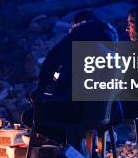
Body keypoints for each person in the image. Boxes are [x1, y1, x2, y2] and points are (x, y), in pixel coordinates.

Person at [22, 11, 119, 146]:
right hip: (112, 114)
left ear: (77, 25)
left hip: (78, 114)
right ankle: (83, 150)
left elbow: (51, 62)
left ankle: (74, 146)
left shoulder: (76, 36)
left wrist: (41, 90)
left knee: (29, 116)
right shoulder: (113, 41)